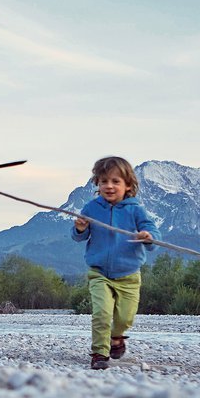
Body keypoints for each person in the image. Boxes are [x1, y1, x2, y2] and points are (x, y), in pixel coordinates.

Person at [71, 156, 155, 370]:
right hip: (99, 273)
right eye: (104, 181)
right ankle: (100, 353)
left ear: (128, 185)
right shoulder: (91, 209)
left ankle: (117, 337)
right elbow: (79, 237)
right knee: (102, 313)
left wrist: (147, 236)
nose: (109, 186)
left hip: (129, 274)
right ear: (97, 184)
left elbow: (153, 235)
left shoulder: (136, 210)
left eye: (115, 181)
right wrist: (80, 228)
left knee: (125, 318)